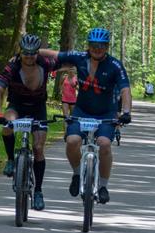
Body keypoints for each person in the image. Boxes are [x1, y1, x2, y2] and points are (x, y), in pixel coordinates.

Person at [39, 28, 132, 204]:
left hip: (106, 113)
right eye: (94, 45)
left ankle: (103, 186)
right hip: (82, 111)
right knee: (72, 141)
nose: (97, 49)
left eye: (101, 46)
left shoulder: (115, 65)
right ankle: (76, 174)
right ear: (88, 45)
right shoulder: (79, 57)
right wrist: (29, 52)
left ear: (107, 47)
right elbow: (55, 54)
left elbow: (125, 90)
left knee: (104, 144)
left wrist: (126, 112)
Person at [0, 34, 57, 211]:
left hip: (38, 108)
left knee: (38, 148)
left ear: (37, 53)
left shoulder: (45, 63)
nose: (29, 57)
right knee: (7, 126)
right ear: (20, 52)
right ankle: (11, 160)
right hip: (17, 106)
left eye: (32, 53)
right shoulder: (13, 66)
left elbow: (65, 60)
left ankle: (38, 191)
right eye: (25, 53)